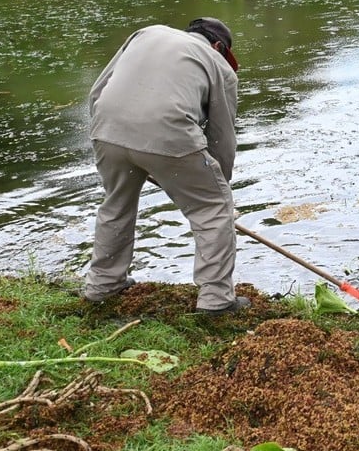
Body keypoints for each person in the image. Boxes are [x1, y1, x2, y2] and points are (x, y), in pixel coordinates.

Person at [84, 17, 249, 314]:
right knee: (212, 208)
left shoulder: (145, 33)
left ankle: (103, 285)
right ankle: (216, 300)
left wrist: (123, 145)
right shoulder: (219, 65)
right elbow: (222, 137)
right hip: (169, 130)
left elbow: (97, 92)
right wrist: (216, 187)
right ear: (218, 46)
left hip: (106, 128)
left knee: (116, 205)